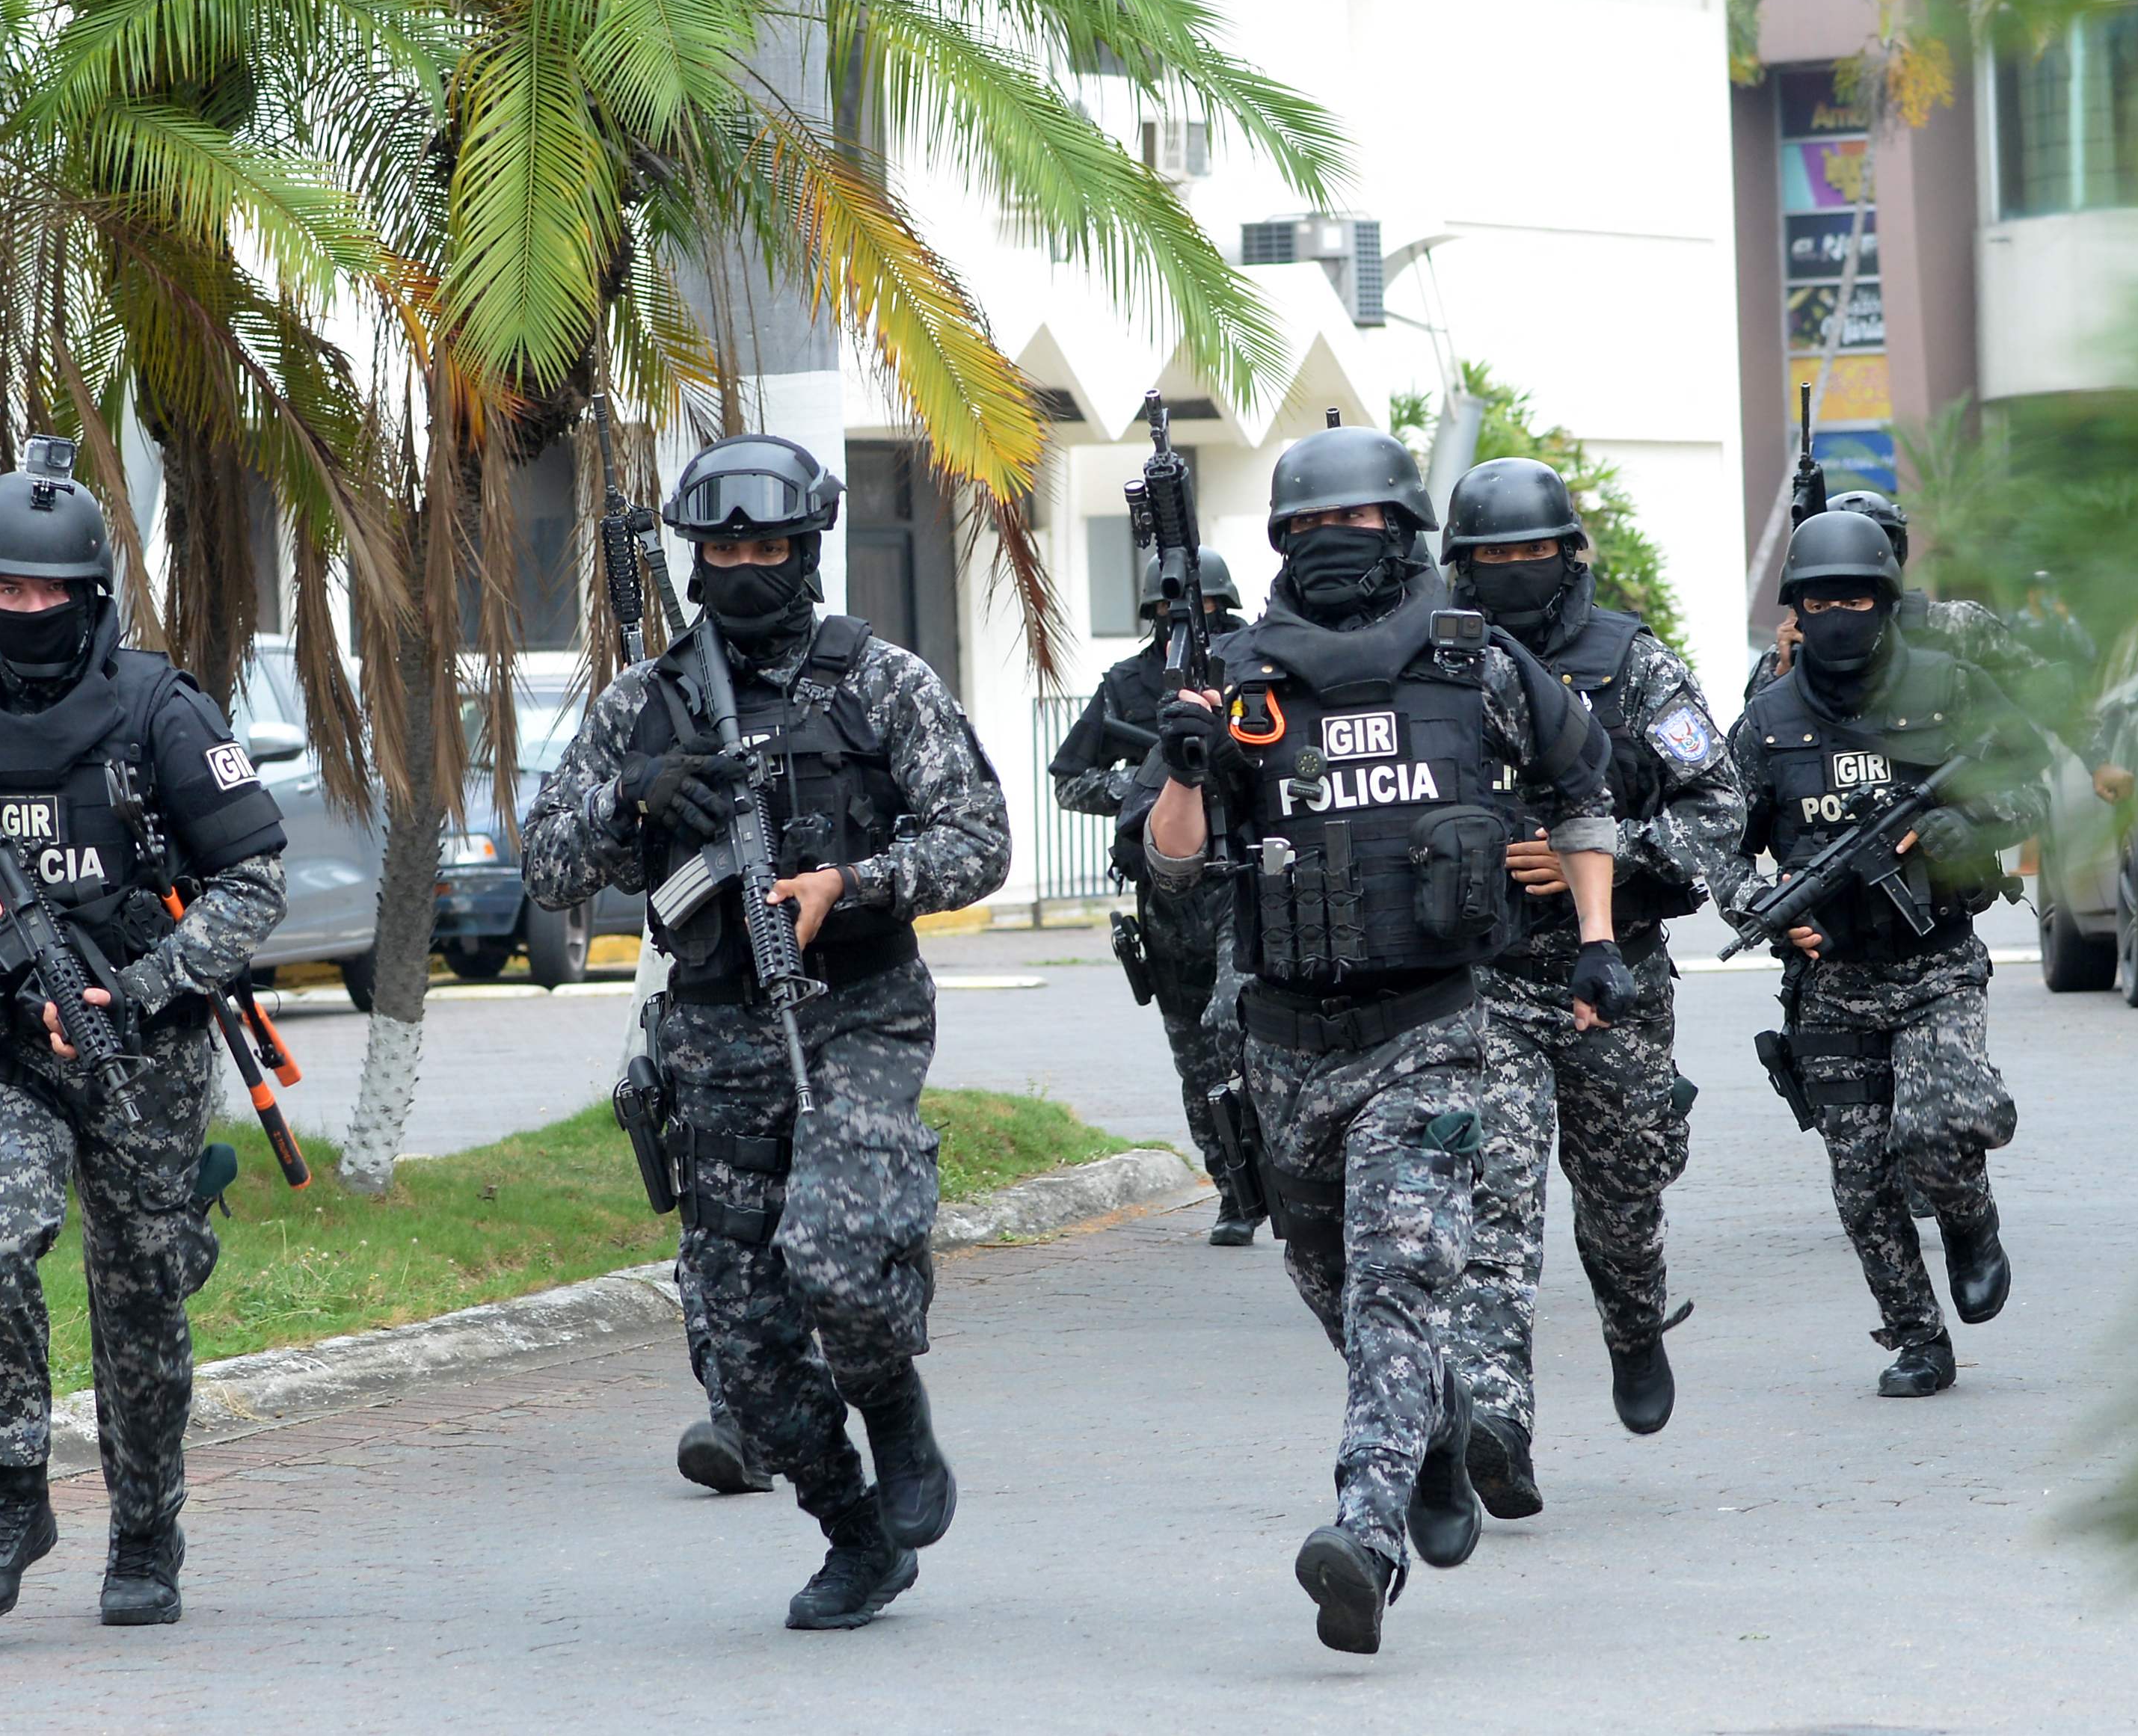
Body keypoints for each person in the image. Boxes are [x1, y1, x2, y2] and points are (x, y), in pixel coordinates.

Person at [1143, 419, 1621, 1655]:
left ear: (1401, 533)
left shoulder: (1476, 664)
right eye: (1308, 528)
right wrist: (1187, 767)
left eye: (1355, 524)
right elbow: (1173, 863)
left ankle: (1363, 1538)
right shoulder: (1238, 679)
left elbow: (1582, 784)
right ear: (1280, 544)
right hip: (1284, 1042)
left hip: (1430, 1029)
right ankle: (1437, 1429)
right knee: (1332, 1281)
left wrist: (1595, 933)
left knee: (1401, 1277)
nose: (1333, 544)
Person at [520, 432, 1009, 1633]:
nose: (743, 566)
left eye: (767, 546)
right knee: (740, 1356)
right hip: (714, 1039)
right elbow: (546, 858)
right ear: (691, 558)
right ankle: (852, 1531)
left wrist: (856, 879)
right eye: (722, 546)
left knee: (839, 1252)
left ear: (808, 550)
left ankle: (892, 1407)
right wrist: (632, 793)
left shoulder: (880, 681)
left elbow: (980, 836)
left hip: (859, 1013)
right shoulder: (646, 700)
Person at [0, 437, 289, 1626]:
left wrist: (139, 988)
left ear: (88, 595)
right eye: (1, 590)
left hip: (141, 1053)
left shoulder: (161, 712)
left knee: (138, 1299)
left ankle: (145, 1536)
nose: (21, 609)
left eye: (44, 591)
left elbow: (254, 882)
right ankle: (13, 1492)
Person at [1434, 457, 1746, 1521]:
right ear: (1458, 568)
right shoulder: (1432, 667)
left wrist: (1593, 862)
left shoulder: (1633, 664)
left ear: (1571, 556)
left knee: (1623, 1200)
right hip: (1482, 985)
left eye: (1533, 554)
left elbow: (1718, 811)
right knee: (1494, 1210)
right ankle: (1498, 1424)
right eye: (1490, 560)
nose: (1514, 573)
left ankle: (1634, 1324)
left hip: (1611, 972)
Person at [1722, 509, 2049, 1398]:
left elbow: (2032, 782)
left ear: (1885, 600)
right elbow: (1713, 834)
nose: (1839, 614)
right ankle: (1918, 1336)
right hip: (1830, 982)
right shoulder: (1768, 720)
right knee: (1862, 1180)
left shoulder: (1949, 688)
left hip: (1935, 963)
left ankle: (1971, 1222)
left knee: (1938, 1126)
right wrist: (1759, 903)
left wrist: (1969, 821)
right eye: (1820, 599)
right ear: (1796, 607)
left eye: (1857, 597)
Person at [1046, 548, 1263, 1246]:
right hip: (1168, 894)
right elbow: (1070, 780)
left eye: (1198, 611)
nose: (1186, 623)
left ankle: (1285, 1169)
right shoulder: (1128, 684)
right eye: (1171, 612)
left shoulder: (1258, 664)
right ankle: (1235, 1191)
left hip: (1243, 880)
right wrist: (1147, 789)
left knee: (1242, 1026)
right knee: (1195, 1053)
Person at [1745, 489, 2045, 704]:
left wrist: (2093, 755)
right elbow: (1756, 743)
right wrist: (1788, 675)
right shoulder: (1796, 645)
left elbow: (2043, 690)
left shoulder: (1956, 625)